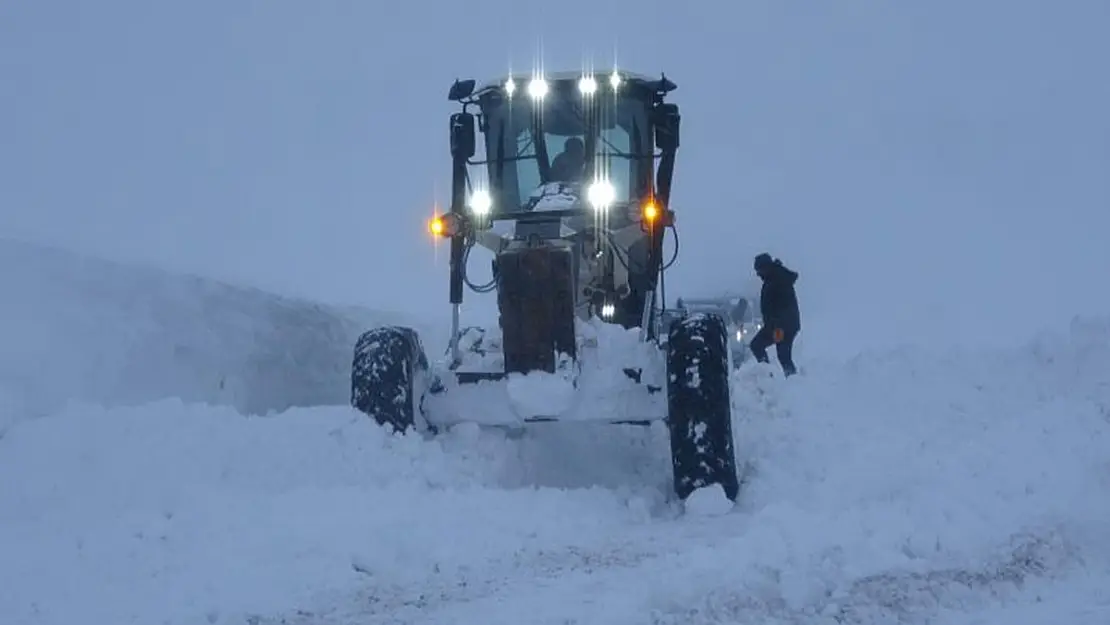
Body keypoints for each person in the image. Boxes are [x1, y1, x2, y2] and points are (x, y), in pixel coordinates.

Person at [749, 253, 800, 376]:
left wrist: (778, 326)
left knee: (782, 355)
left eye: (759, 270)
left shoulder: (778, 279)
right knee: (757, 346)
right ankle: (768, 376)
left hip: (782, 326)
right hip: (777, 325)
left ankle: (790, 381)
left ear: (766, 267)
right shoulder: (774, 278)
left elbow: (784, 306)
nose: (758, 274)